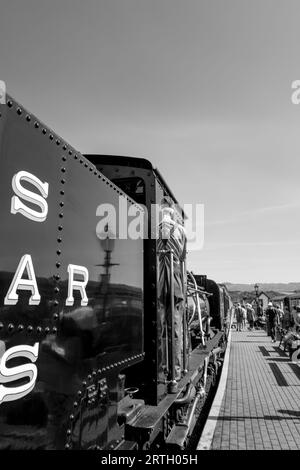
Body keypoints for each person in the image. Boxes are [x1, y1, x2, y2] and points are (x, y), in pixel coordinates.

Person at [158, 196, 187, 382]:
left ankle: (160, 370)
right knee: (175, 330)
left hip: (159, 283)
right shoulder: (181, 230)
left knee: (159, 328)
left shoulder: (154, 230)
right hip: (175, 282)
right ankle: (175, 372)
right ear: (172, 210)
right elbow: (183, 257)